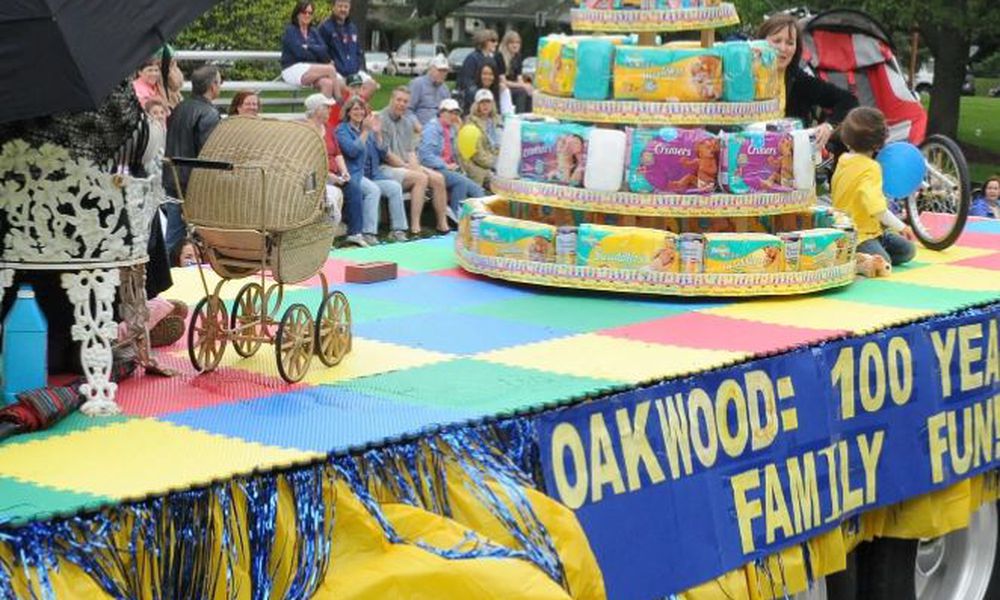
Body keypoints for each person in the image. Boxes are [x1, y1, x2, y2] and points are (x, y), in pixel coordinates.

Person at [757, 14, 858, 151]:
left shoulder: (799, 79)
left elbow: (848, 100)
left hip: (793, 156)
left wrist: (828, 126)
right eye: (777, 41)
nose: (783, 48)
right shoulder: (746, 76)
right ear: (760, 43)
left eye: (790, 43)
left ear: (796, 48)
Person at [832, 107, 916, 266]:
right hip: (857, 235)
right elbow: (877, 209)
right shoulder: (871, 168)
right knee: (885, 262)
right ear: (879, 144)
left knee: (907, 250)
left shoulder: (843, 160)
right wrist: (901, 226)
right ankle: (854, 259)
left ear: (846, 138)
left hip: (869, 231)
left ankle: (863, 253)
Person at [163, 65, 222, 256]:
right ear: (213, 86)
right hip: (195, 184)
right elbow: (209, 154)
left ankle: (164, 276)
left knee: (173, 236)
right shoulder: (209, 113)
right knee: (204, 237)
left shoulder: (180, 107)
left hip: (173, 179)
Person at [337, 96, 409, 244]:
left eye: (362, 109)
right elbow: (352, 151)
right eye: (356, 109)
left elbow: (383, 152)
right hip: (355, 175)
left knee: (395, 187)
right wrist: (365, 132)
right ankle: (369, 233)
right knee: (373, 190)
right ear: (348, 112)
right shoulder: (342, 130)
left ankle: (398, 230)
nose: (360, 112)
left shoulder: (368, 129)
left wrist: (377, 133)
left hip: (372, 175)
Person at [379, 86, 451, 235]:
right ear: (391, 100)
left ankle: (442, 224)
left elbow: (410, 151)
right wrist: (408, 167)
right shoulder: (381, 119)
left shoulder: (407, 122)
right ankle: (415, 226)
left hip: (404, 166)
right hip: (385, 167)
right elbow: (386, 153)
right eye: (399, 100)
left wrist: (414, 166)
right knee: (420, 178)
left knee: (438, 178)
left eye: (405, 101)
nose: (401, 104)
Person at [418, 98, 487, 216]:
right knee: (461, 182)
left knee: (478, 191)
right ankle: (457, 217)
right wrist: (445, 165)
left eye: (455, 113)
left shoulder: (451, 129)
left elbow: (458, 154)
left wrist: (459, 129)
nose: (453, 116)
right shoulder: (432, 129)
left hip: (450, 169)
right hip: (433, 169)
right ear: (441, 112)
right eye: (450, 112)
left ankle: (479, 219)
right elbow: (425, 156)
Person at [303, 93, 355, 238]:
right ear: (316, 110)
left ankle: (329, 235)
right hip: (312, 177)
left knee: (349, 187)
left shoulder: (329, 127)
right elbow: (309, 162)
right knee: (333, 197)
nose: (330, 111)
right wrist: (331, 176)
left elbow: (337, 153)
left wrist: (344, 171)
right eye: (326, 107)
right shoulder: (306, 130)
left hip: (333, 176)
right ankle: (324, 235)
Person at [281, 1, 340, 98]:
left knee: (327, 83)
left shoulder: (313, 31)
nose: (307, 15)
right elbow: (299, 54)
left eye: (310, 13)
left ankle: (322, 112)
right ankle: (340, 100)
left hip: (311, 69)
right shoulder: (291, 31)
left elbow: (324, 51)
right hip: (292, 69)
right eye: (304, 12)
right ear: (297, 14)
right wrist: (316, 52)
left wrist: (308, 47)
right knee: (330, 69)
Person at [319, 0, 370, 85]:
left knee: (371, 84)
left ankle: (357, 97)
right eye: (340, 6)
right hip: (336, 72)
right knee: (343, 86)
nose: (343, 9)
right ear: (333, 7)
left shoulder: (352, 28)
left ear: (349, 8)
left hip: (354, 71)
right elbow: (321, 52)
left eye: (346, 7)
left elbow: (358, 51)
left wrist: (358, 65)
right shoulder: (325, 28)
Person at [459, 89, 501, 190]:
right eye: (482, 102)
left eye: (488, 102)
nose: (485, 105)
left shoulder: (497, 120)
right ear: (476, 105)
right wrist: (495, 164)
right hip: (477, 166)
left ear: (492, 104)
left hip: (495, 163)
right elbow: (477, 154)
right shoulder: (470, 123)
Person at [457, 29, 499, 109]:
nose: (496, 44)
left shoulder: (492, 59)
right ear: (484, 41)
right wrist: (481, 96)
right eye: (493, 41)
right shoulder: (472, 58)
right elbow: (467, 82)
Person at [408, 55, 453, 125]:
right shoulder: (418, 84)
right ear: (431, 69)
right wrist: (417, 125)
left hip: (440, 129)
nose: (442, 74)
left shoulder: (445, 89)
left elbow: (449, 111)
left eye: (445, 71)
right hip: (420, 128)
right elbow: (408, 110)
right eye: (440, 70)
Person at [495, 30, 532, 113]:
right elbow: (503, 81)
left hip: (513, 85)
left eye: (517, 43)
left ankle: (528, 117)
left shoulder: (518, 57)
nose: (515, 45)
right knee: (521, 92)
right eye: (512, 43)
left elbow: (519, 78)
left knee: (529, 92)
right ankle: (519, 116)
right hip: (501, 87)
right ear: (506, 44)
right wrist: (522, 86)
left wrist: (526, 86)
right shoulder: (500, 57)